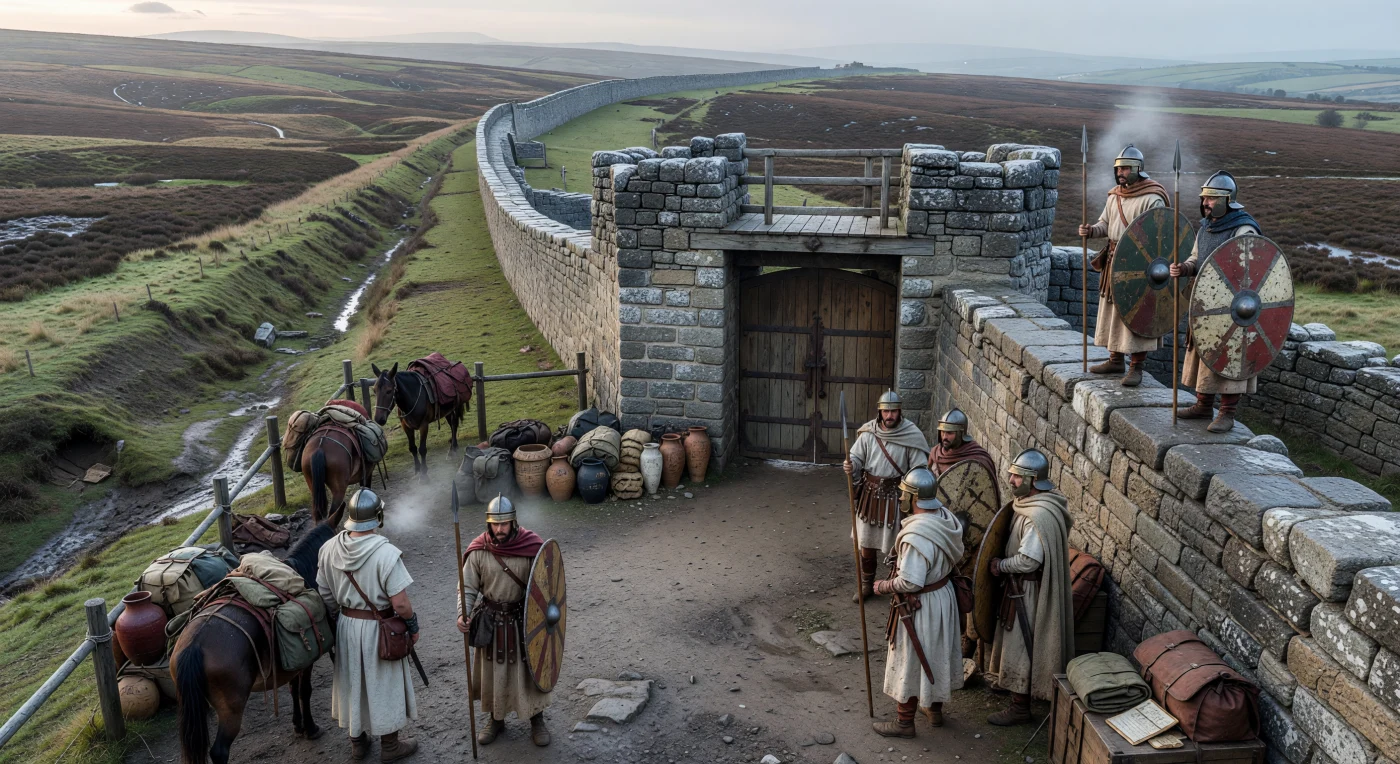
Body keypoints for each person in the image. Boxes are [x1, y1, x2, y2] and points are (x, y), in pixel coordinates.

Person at [317, 488, 420, 762]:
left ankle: (358, 743)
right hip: (381, 630)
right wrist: (412, 626)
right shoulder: (386, 553)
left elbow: (325, 594)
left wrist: (343, 616)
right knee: (384, 683)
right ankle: (390, 747)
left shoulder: (328, 548)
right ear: (378, 517)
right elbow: (401, 604)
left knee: (353, 682)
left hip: (346, 626)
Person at [872, 467, 966, 738]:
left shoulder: (917, 536)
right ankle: (934, 710)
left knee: (911, 658)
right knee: (936, 653)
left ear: (914, 497)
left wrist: (883, 586)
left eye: (905, 493)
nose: (901, 497)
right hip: (943, 597)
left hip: (921, 604)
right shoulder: (945, 518)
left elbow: (911, 581)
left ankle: (904, 722)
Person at [455, 495, 553, 747]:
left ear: (513, 521)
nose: (499, 529)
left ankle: (537, 718)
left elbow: (545, 587)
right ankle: (495, 719)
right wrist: (463, 613)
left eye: (504, 523)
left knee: (529, 671)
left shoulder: (531, 547)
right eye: (495, 524)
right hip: (491, 621)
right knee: (493, 672)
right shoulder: (479, 550)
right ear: (488, 524)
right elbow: (467, 587)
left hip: (523, 621)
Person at [985, 450, 1074, 726]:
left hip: (1028, 591)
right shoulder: (1031, 505)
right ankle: (1009, 684)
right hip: (1021, 586)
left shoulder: (1037, 515)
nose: (1011, 480)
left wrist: (1001, 565)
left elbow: (1028, 560)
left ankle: (1020, 707)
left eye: (1016, 476)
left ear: (1032, 480)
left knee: (1022, 644)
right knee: (1015, 641)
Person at [1170, 171, 1263, 433]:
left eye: (1211, 198)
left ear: (1227, 200)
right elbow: (1196, 257)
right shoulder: (1207, 227)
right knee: (1205, 353)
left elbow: (1251, 270)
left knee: (1229, 356)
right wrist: (1185, 268)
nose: (1205, 203)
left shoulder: (1244, 228)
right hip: (1206, 302)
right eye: (1204, 198)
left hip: (1231, 307)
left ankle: (1227, 412)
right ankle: (1203, 405)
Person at [1078, 145, 1173, 387]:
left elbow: (1160, 236)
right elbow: (1105, 224)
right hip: (1113, 262)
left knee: (1137, 314)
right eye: (1118, 168)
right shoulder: (1115, 196)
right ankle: (1115, 359)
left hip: (1140, 267)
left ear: (1138, 169)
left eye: (1126, 168)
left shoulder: (1153, 198)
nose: (1121, 172)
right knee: (1113, 311)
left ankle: (1136, 366)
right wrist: (1091, 231)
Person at [844, 391, 931, 602]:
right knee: (866, 542)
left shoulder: (911, 435)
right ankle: (867, 584)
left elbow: (919, 468)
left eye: (893, 411)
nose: (889, 415)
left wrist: (910, 492)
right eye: (885, 411)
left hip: (897, 497)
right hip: (870, 495)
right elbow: (856, 456)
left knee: (899, 544)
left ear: (899, 411)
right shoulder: (869, 433)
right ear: (880, 411)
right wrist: (851, 465)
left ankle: (897, 585)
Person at [927, 408, 997, 479]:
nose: (944, 437)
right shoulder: (936, 453)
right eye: (942, 432)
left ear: (960, 434)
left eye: (949, 433)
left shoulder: (979, 459)